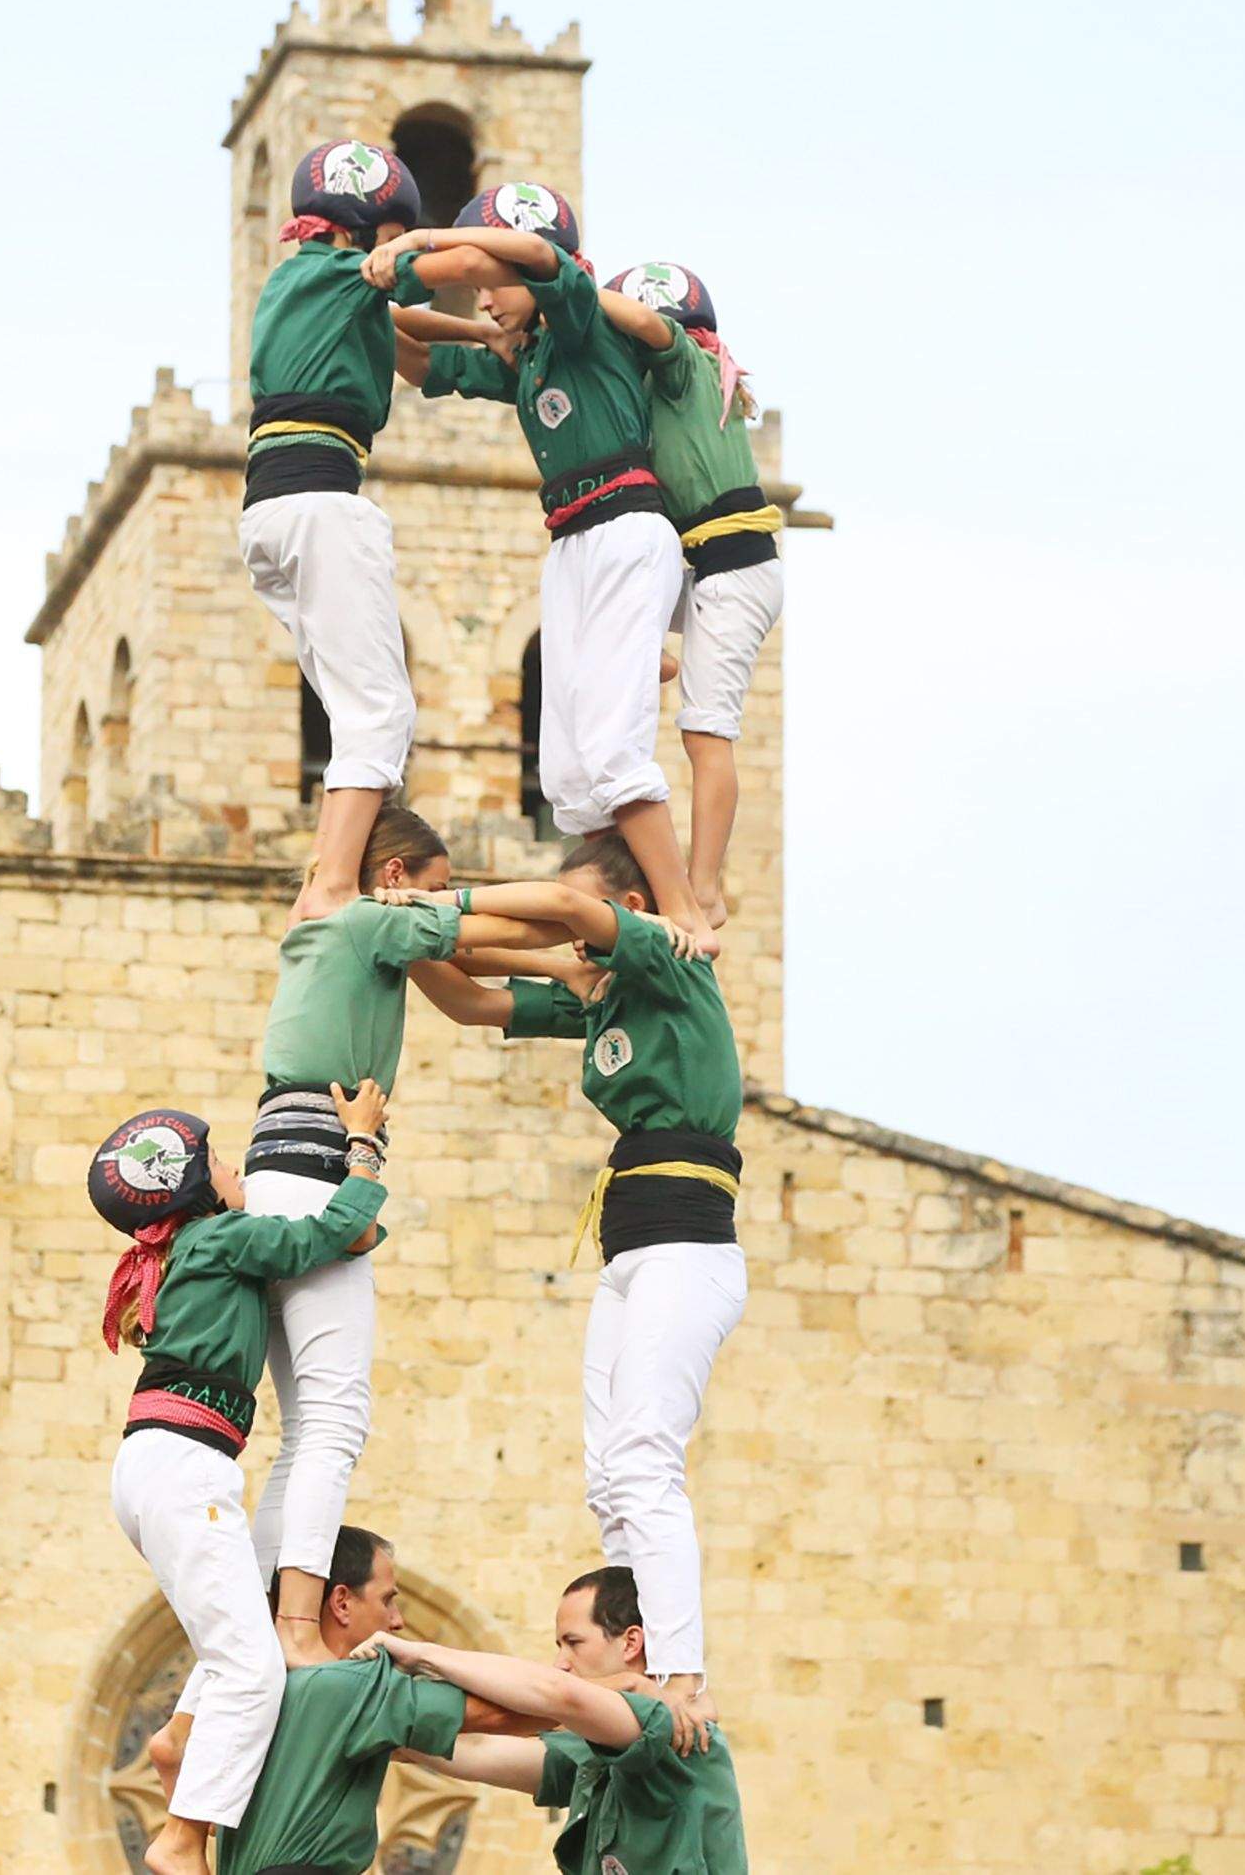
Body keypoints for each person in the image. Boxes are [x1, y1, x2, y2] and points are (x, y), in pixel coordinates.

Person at [379, 833, 745, 1747]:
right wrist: (404, 933)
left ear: (629, 907)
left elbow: (572, 916)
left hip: (685, 1249)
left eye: (580, 915)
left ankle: (682, 1673)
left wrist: (454, 905)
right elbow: (467, 995)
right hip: (629, 1251)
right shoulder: (603, 992)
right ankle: (631, 1646)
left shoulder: (671, 958)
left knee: (647, 1457)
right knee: (607, 1477)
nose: (570, 935)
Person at [245, 806, 590, 1664]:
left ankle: (255, 1621)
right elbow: (503, 922)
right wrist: (621, 929)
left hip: (277, 1165)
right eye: (432, 890)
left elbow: (471, 992)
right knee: (333, 1425)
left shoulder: (342, 936)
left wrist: (579, 996)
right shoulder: (366, 920)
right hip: (324, 1165)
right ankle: (293, 1627)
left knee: (304, 1429)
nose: (442, 907)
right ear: (394, 879)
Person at [364, 186, 718, 953]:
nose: (486, 299)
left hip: (626, 529)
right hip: (570, 546)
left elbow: (542, 260)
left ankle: (686, 909)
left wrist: (419, 241)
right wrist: (365, 297)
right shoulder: (527, 362)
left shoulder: (584, 325)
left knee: (618, 750)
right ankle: (617, 901)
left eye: (493, 282)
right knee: (567, 768)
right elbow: (418, 357)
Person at [96, 1092, 389, 1875]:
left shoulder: (185, 1252)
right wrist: (362, 1146)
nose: (236, 1169)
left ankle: (180, 1736)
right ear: (197, 1189)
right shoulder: (223, 1237)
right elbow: (336, 1232)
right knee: (252, 1668)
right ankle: (183, 1837)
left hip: (159, 1466)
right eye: (222, 1160)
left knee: (237, 1631)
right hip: (186, 1468)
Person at [241, 136, 501, 925]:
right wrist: (503, 263)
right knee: (380, 712)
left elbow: (401, 323)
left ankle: (326, 872)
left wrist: (485, 338)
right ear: (368, 230)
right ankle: (327, 888)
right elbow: (443, 276)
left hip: (269, 512)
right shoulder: (351, 273)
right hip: (325, 502)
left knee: (353, 707)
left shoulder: (301, 282)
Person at [141, 1526, 629, 1875]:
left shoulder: (266, 1688)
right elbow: (505, 1715)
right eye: (388, 1599)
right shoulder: (350, 1685)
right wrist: (629, 1694)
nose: (397, 1621)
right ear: (341, 1603)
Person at [596, 261, 783, 930]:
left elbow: (650, 325)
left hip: (731, 568)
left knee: (707, 732)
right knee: (609, 609)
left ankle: (705, 888)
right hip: (705, 569)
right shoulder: (681, 388)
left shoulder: (684, 369)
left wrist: (572, 287)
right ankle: (657, 665)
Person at [385, 1566, 751, 1874]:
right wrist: (381, 1730)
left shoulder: (671, 1723)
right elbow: (477, 1749)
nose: (562, 1661)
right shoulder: (596, 1752)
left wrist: (423, 1655)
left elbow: (558, 1695)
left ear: (630, 1642)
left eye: (573, 1643)